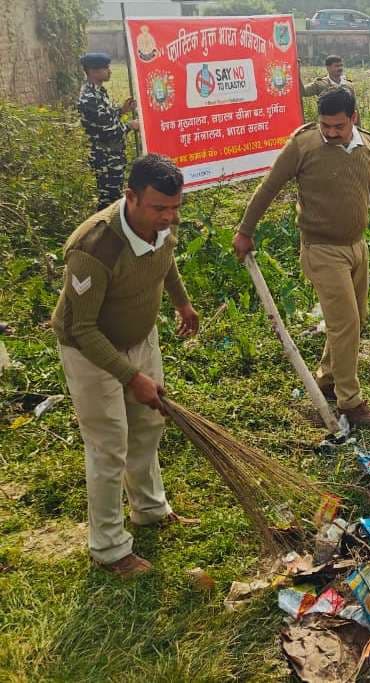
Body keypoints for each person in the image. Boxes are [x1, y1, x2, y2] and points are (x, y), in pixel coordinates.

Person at [232, 89, 370, 427]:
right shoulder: (303, 146)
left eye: (338, 126)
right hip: (321, 250)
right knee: (346, 323)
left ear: (353, 118)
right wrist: (244, 230)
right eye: (325, 125)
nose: (331, 132)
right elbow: (269, 186)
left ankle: (327, 378)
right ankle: (350, 402)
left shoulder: (367, 145)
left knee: (355, 317)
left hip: (356, 247)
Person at [51, 155, 200, 579]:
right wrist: (131, 377)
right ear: (130, 197)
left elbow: (163, 260)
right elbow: (83, 330)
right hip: (91, 351)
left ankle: (150, 510)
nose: (169, 217)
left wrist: (181, 301)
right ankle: (109, 547)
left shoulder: (162, 225)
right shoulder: (94, 248)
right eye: (159, 208)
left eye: (175, 207)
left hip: (141, 337)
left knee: (149, 426)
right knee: (108, 444)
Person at [78, 52, 139, 210]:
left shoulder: (99, 92)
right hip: (105, 157)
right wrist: (130, 126)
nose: (110, 71)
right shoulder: (89, 97)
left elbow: (105, 116)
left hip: (113, 155)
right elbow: (108, 131)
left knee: (115, 195)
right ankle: (104, 231)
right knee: (109, 200)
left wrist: (122, 110)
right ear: (93, 71)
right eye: (106, 68)